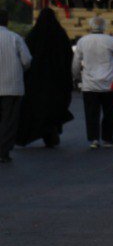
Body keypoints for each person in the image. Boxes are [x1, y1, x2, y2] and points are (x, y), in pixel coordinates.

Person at [16, 8, 74, 150]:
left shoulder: (33, 36)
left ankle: (40, 134)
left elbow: (26, 58)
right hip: (57, 83)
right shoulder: (60, 35)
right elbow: (68, 58)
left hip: (36, 83)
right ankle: (50, 134)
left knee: (37, 109)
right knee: (53, 109)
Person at [72, 16, 113, 149]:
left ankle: (94, 139)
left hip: (89, 84)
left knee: (91, 113)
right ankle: (107, 139)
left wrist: (76, 78)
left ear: (90, 27)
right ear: (104, 27)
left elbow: (75, 63)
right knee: (109, 112)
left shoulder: (82, 41)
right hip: (109, 84)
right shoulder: (110, 40)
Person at [0, 9, 33, 163]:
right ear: (7, 21)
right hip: (12, 87)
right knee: (9, 120)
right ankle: (3, 152)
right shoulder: (15, 38)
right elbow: (27, 60)